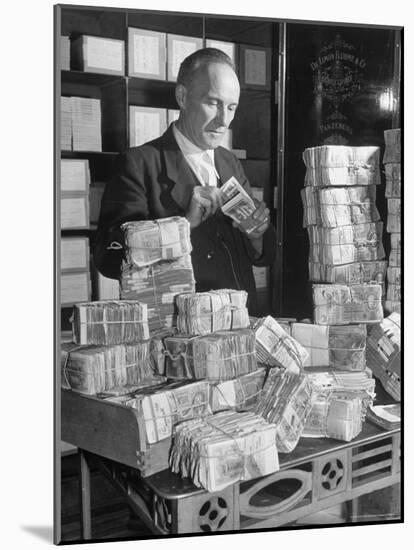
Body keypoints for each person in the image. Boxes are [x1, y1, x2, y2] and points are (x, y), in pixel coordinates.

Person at [94, 48, 277, 314]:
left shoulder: (229, 162)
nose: (223, 120)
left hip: (237, 328)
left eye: (231, 107)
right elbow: (109, 257)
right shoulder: (138, 163)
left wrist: (257, 235)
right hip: (177, 337)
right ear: (182, 97)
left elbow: (263, 255)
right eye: (213, 103)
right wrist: (183, 227)